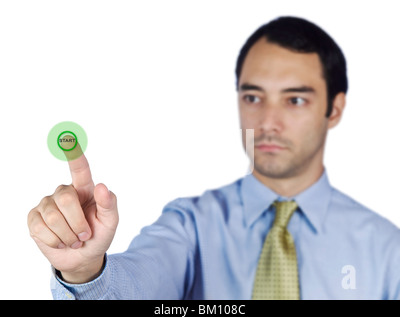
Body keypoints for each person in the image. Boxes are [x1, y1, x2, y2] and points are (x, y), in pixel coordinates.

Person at [28, 16, 400, 300]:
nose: (268, 122)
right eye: (253, 97)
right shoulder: (189, 226)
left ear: (334, 109)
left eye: (295, 100)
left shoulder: (386, 250)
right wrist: (87, 272)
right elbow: (139, 283)